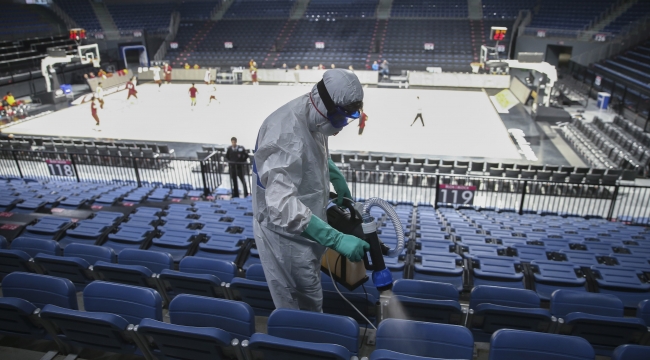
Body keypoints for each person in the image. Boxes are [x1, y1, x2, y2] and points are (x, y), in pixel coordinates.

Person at [252, 69, 369, 312]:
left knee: (310, 293)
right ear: (325, 107)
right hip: (288, 238)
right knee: (304, 305)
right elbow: (282, 205)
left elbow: (310, 149)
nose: (341, 127)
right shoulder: (282, 134)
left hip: (308, 227)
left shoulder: (312, 112)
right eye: (339, 119)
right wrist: (335, 238)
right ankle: (303, 347)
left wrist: (334, 176)